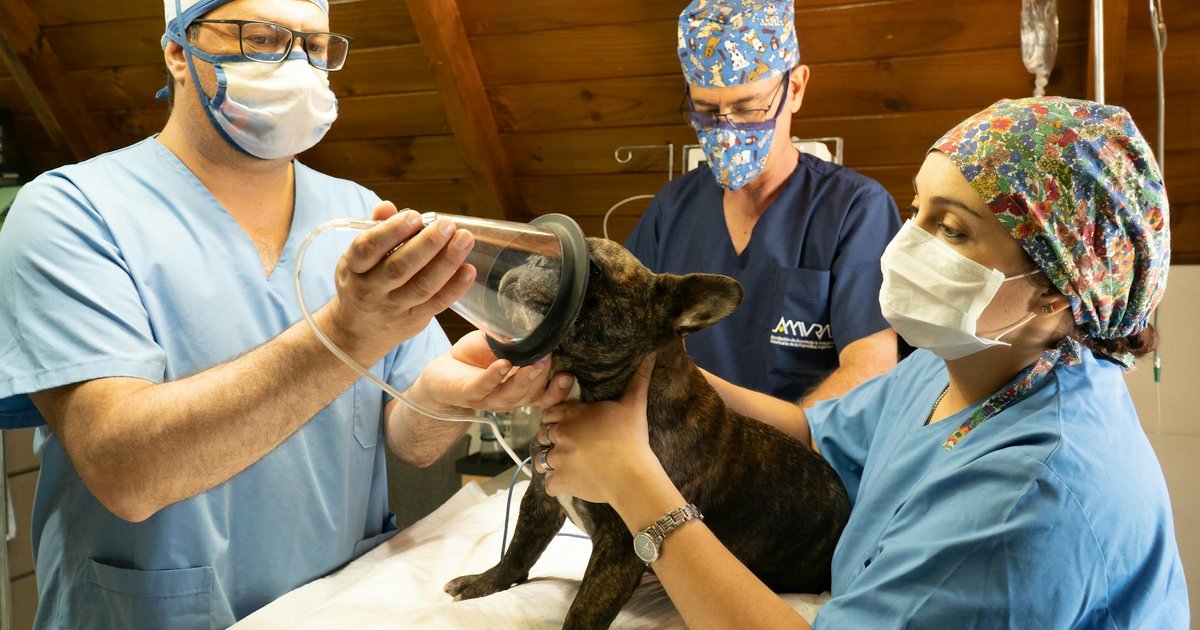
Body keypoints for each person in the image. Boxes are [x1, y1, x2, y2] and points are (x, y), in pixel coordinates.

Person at [0, 0, 571, 627]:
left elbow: (410, 440)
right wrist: (348, 333)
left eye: (314, 46)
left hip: (336, 606)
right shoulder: (71, 213)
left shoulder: (356, 213)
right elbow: (128, 474)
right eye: (261, 38)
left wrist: (452, 395)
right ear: (177, 51)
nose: (295, 65)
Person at [537, 97, 1189, 628]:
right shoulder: (972, 359)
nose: (906, 244)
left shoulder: (1026, 503)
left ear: (1054, 288)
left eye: (953, 229)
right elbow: (818, 430)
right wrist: (657, 373)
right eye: (916, 210)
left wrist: (634, 483)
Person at [625, 0, 900, 409]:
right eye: (706, 112)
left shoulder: (855, 210)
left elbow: (870, 370)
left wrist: (761, 451)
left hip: (796, 458)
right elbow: (623, 335)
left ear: (795, 89)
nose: (727, 131)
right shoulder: (673, 209)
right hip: (674, 461)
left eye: (747, 108)